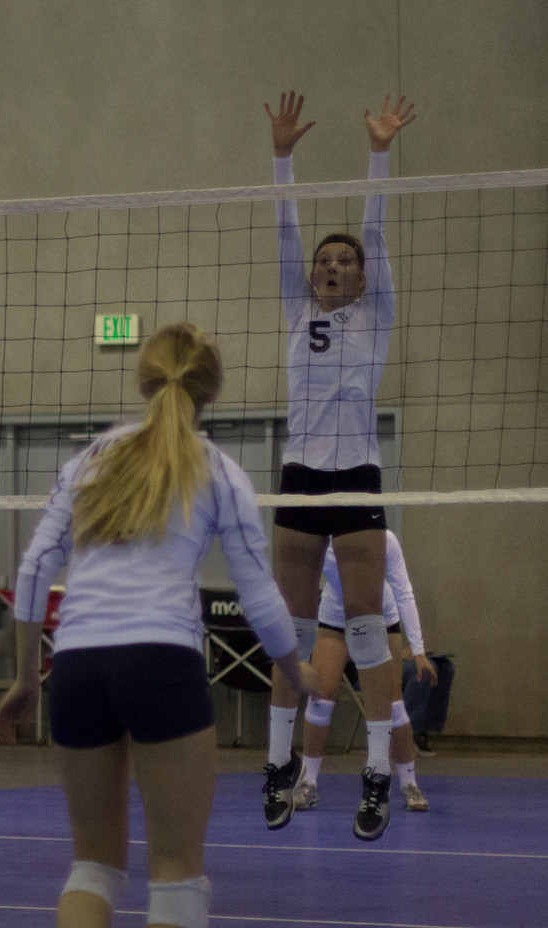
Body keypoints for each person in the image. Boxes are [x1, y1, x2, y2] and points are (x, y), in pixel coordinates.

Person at [0, 323, 316, 928]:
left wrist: (27, 678)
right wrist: (301, 673)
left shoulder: (90, 460)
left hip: (77, 665)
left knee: (93, 864)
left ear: (143, 380)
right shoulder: (218, 471)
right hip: (161, 660)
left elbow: (34, 569)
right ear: (211, 392)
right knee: (177, 871)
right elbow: (260, 594)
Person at [262, 92, 417, 842]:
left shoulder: (375, 313)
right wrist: (281, 158)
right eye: (323, 261)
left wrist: (378, 153)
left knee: (365, 631)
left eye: (344, 260)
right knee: (290, 632)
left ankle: (379, 772)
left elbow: (376, 230)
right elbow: (284, 232)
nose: (331, 267)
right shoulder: (298, 309)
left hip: (356, 477)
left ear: (361, 276)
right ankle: (276, 764)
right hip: (299, 477)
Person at [292, 529, 436, 812]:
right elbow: (300, 588)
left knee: (392, 705)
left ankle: (409, 784)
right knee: (320, 699)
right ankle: (307, 783)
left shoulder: (385, 539)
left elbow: (404, 593)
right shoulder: (321, 539)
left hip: (379, 616)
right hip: (335, 617)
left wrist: (418, 652)